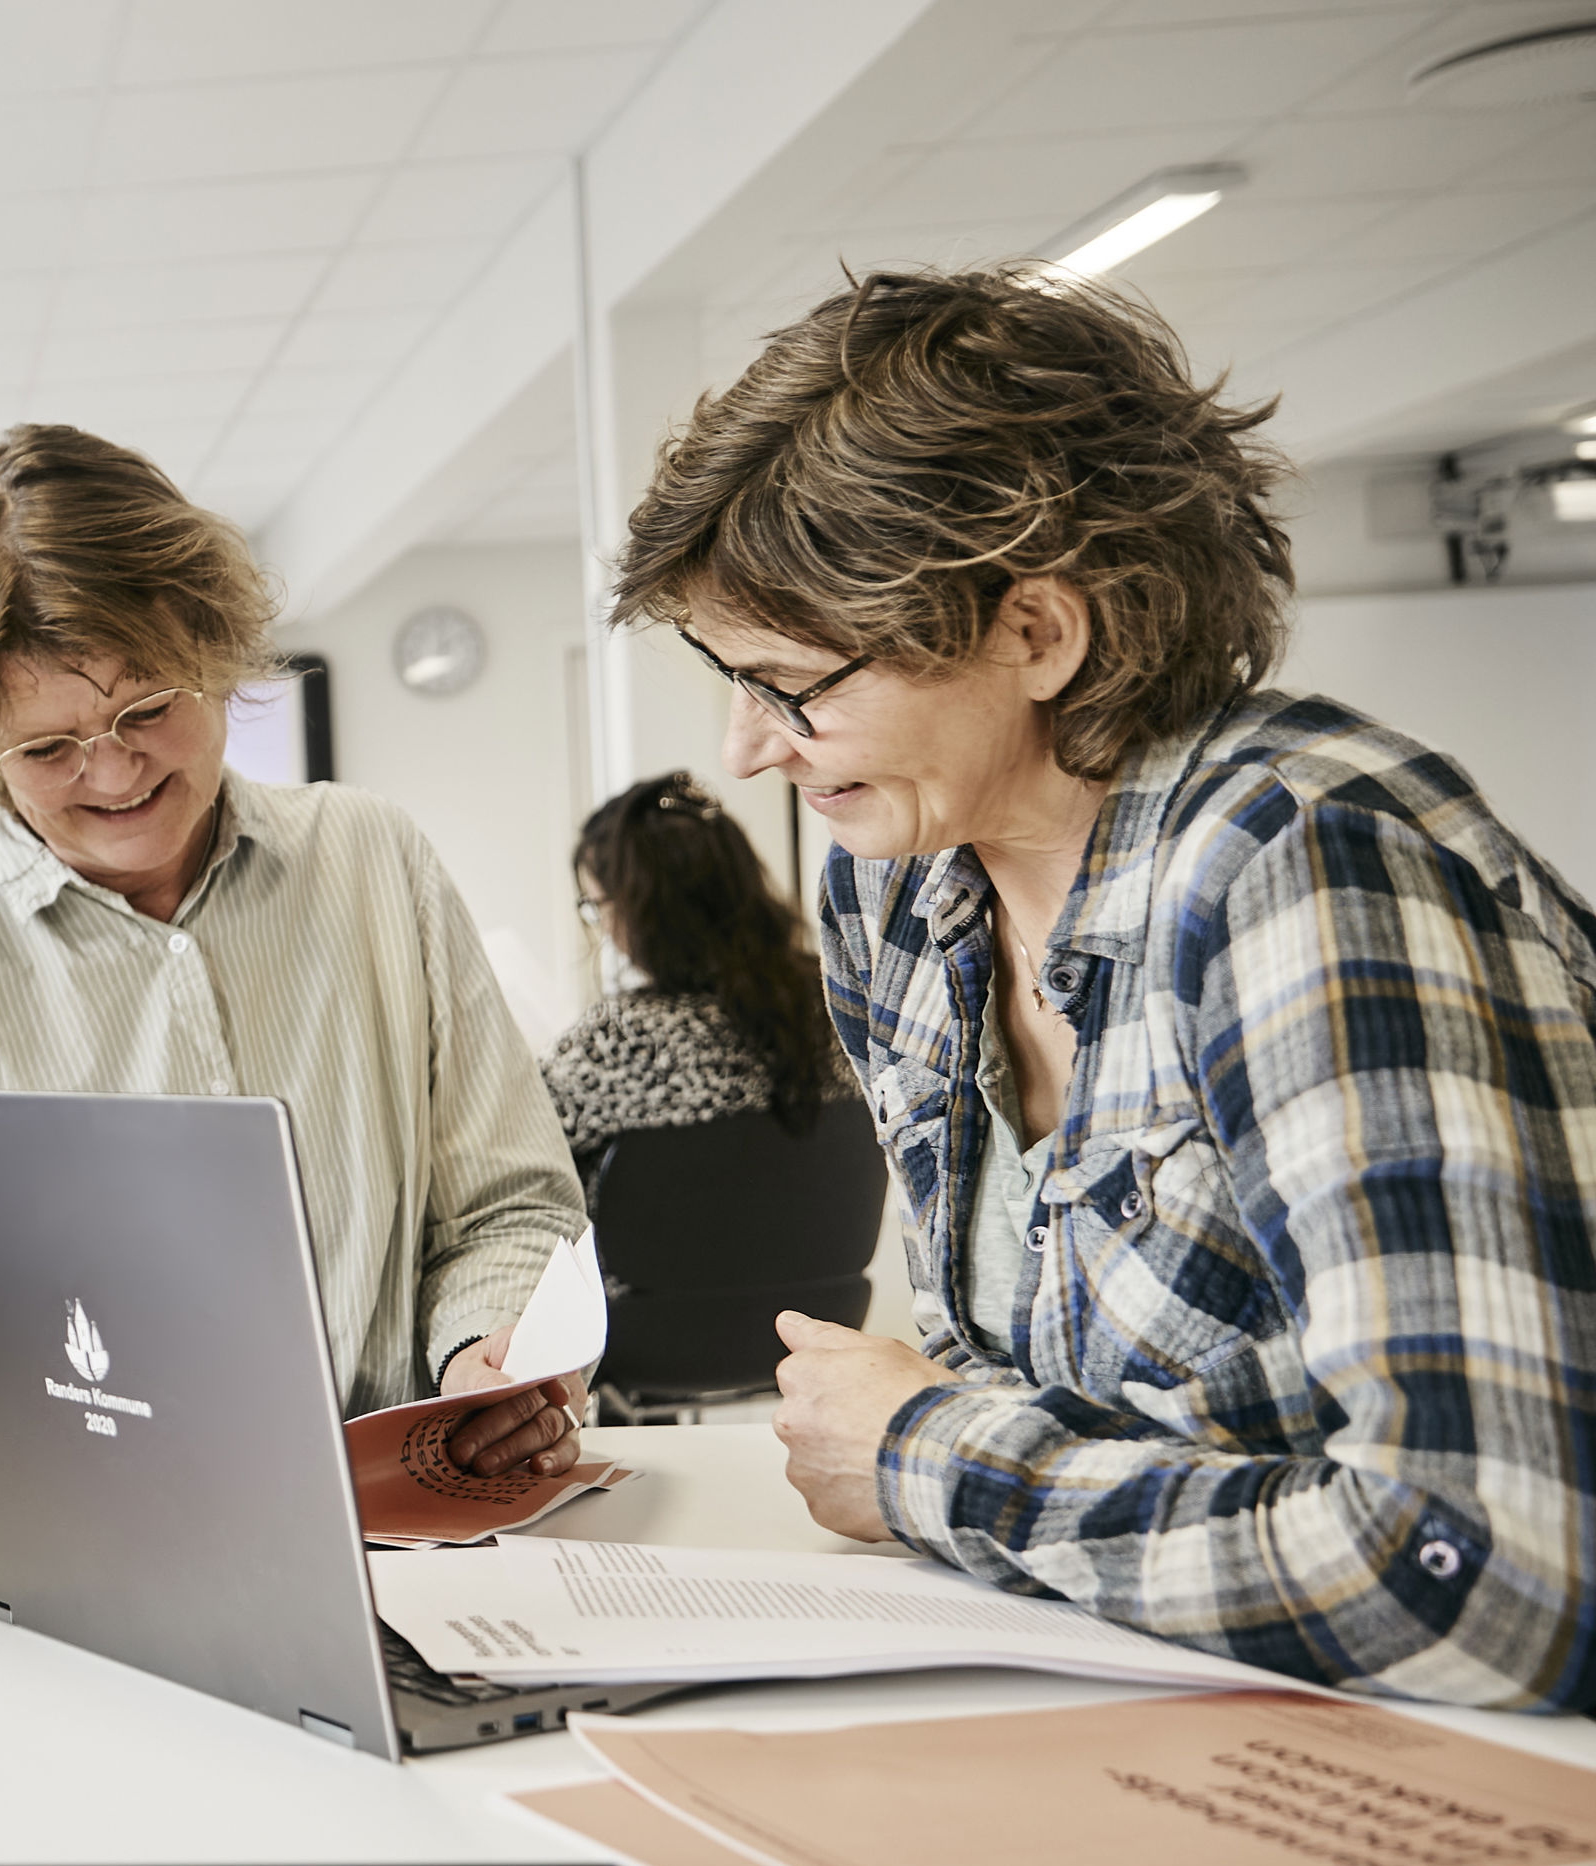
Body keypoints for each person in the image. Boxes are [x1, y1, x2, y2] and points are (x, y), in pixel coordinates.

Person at [612, 265, 1596, 1709]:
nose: (752, 750)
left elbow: (1493, 1575)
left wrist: (924, 1457)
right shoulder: (897, 887)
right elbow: (1048, 1399)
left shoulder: (1304, 867)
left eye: (794, 685)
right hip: (1169, 1696)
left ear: (1035, 636)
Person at [0, 424, 590, 1478]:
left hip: (398, 1521)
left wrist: (484, 1352)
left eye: (147, 708)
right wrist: (61, 1377)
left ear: (213, 647)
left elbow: (508, 1207)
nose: (112, 772)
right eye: (48, 748)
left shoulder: (376, 862)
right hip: (80, 1524)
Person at [543, 770, 850, 1173]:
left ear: (641, 907)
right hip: (820, 1238)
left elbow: (517, 1145)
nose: (602, 925)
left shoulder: (620, 1038)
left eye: (598, 906)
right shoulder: (832, 1005)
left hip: (644, 1239)